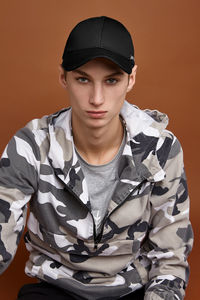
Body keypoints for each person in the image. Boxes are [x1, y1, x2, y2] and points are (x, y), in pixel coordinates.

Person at [0, 16, 193, 300]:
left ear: (132, 79)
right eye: (82, 79)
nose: (97, 98)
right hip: (55, 287)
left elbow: (171, 260)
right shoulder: (30, 146)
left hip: (131, 289)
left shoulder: (161, 149)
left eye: (112, 80)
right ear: (63, 77)